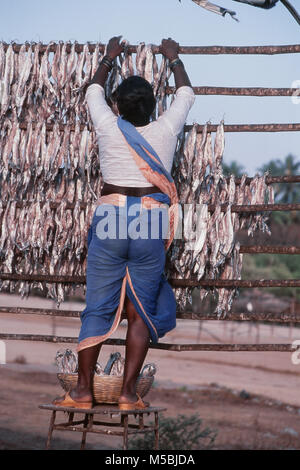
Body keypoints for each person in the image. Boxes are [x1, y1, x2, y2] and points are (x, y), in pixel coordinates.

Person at [53, 36, 195, 410]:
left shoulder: (107, 124)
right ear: (153, 109)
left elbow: (92, 91)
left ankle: (83, 390)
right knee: (140, 310)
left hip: (111, 217)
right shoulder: (165, 130)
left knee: (98, 307)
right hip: (149, 219)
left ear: (117, 106)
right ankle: (129, 394)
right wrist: (173, 58)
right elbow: (186, 95)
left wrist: (109, 57)